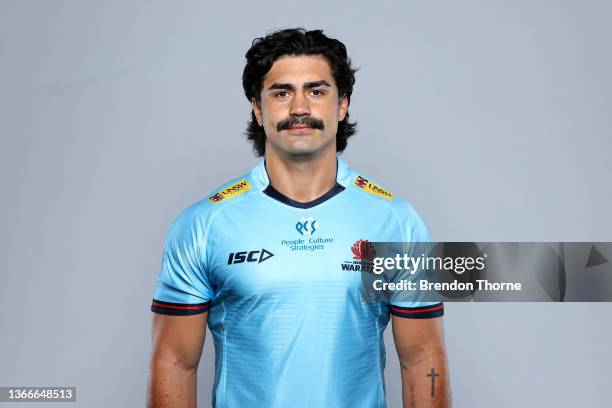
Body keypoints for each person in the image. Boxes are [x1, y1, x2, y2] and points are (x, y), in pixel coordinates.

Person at [147, 28, 450, 408]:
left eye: (317, 91)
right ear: (258, 108)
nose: (299, 108)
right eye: (281, 92)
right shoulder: (203, 225)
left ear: (342, 105)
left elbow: (422, 358)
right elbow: (175, 362)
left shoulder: (395, 221)